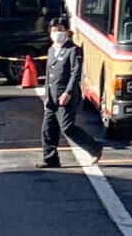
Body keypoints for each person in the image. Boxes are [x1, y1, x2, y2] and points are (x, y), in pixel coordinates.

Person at [40, 18, 102, 167]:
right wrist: (46, 95)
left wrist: (68, 92)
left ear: (67, 32)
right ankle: (50, 159)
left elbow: (76, 73)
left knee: (67, 127)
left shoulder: (73, 50)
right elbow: (49, 75)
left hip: (66, 95)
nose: (57, 33)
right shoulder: (51, 50)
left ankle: (94, 147)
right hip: (52, 96)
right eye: (54, 30)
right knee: (48, 128)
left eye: (60, 29)